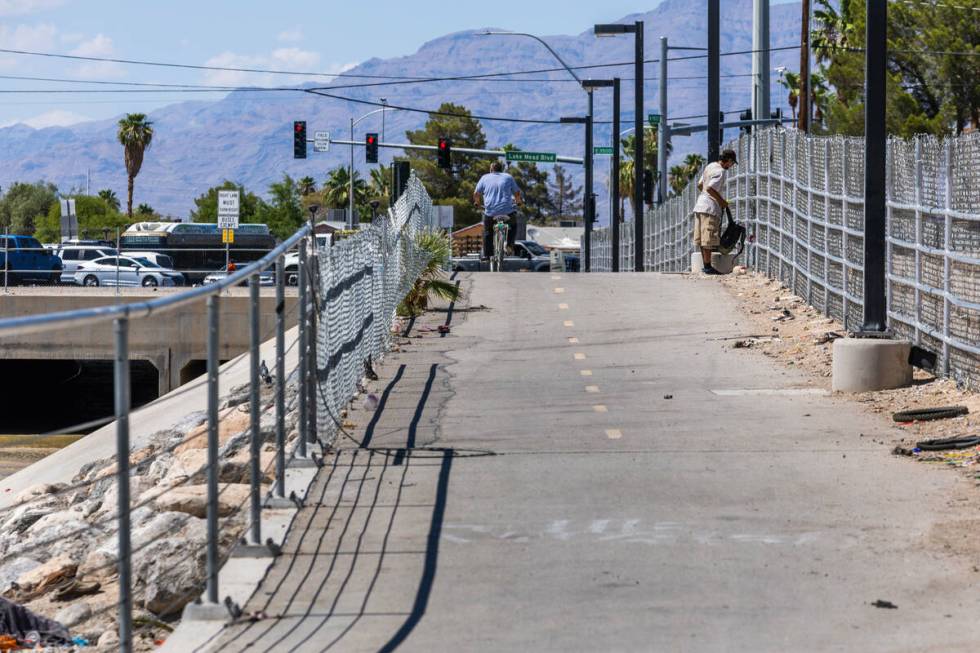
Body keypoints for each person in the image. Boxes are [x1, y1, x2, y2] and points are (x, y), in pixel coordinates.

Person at [692, 148, 738, 275]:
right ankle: (708, 267)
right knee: (708, 238)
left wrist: (705, 195)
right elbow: (710, 187)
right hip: (710, 208)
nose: (731, 165)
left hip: (700, 204)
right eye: (732, 163)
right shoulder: (721, 171)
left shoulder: (710, 166)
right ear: (728, 160)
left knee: (702, 239)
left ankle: (706, 265)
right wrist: (721, 201)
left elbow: (700, 184)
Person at [473, 161, 524, 260]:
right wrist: (518, 202)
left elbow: (476, 194)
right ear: (502, 169)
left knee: (488, 231)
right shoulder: (508, 177)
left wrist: (477, 203)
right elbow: (517, 192)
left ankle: (487, 255)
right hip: (507, 211)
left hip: (491, 212)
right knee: (513, 226)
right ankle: (509, 245)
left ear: (491, 169)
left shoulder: (484, 177)